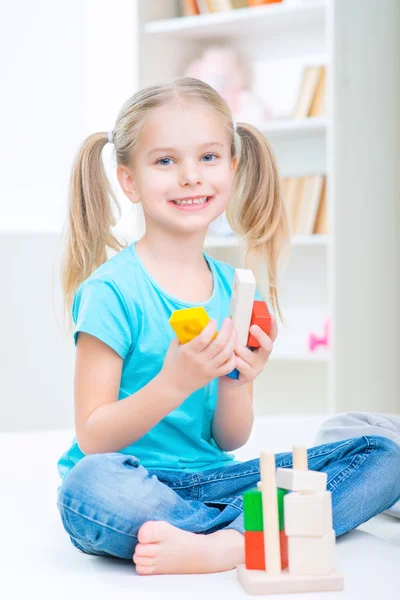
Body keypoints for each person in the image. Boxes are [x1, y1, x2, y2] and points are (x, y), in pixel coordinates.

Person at [56, 76, 400, 576]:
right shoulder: (112, 292)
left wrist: (239, 378)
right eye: (165, 161)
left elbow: (231, 437)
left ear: (233, 169)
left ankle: (230, 543)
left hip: (214, 479)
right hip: (134, 482)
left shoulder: (236, 291)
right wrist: (174, 383)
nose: (191, 177)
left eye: (209, 158)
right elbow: (93, 437)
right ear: (128, 180)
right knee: (91, 487)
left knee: (383, 455)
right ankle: (257, 531)